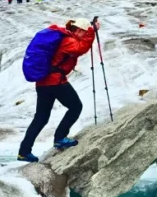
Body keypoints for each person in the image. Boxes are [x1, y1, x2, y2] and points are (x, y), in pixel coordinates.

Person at [17, 18, 98, 162]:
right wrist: (92, 32)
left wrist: (90, 32)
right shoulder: (68, 40)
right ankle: (60, 137)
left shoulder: (64, 37)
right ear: (78, 30)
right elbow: (81, 48)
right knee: (76, 106)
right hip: (55, 81)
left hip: (43, 83)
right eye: (84, 33)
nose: (84, 36)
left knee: (41, 118)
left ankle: (24, 152)